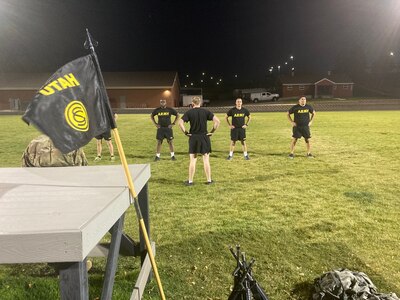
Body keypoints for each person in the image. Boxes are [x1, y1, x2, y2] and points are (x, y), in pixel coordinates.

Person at [178, 96, 220, 185]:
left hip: (193, 137)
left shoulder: (189, 112)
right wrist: (212, 132)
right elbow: (217, 121)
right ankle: (209, 180)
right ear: (200, 103)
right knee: (206, 160)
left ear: (192, 103)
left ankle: (190, 181)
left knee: (193, 160)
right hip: (204, 137)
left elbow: (180, 123)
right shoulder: (205, 111)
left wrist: (186, 132)